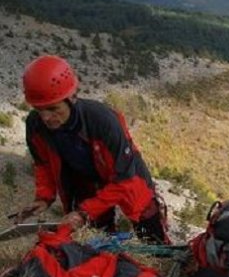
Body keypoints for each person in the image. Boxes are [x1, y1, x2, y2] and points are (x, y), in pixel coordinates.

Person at [16, 55, 170, 244]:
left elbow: (124, 179)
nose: (46, 117)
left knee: (151, 232)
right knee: (96, 240)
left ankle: (163, 260)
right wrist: (44, 198)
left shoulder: (102, 121)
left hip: (126, 176)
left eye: (53, 108)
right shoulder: (35, 125)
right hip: (85, 183)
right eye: (39, 110)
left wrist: (84, 212)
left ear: (71, 98)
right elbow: (43, 164)